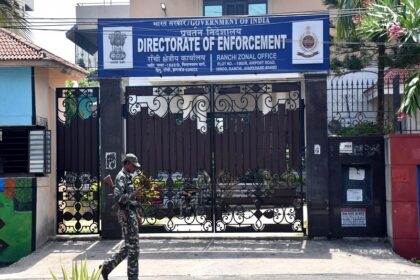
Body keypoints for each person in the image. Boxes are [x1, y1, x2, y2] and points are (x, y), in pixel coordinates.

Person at [100, 153, 142, 280]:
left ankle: (106, 267)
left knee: (129, 247)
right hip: (126, 215)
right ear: (127, 164)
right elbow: (118, 198)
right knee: (134, 250)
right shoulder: (121, 177)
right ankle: (133, 278)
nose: (135, 168)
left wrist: (138, 214)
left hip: (131, 214)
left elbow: (129, 198)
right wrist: (134, 194)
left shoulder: (128, 176)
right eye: (133, 165)